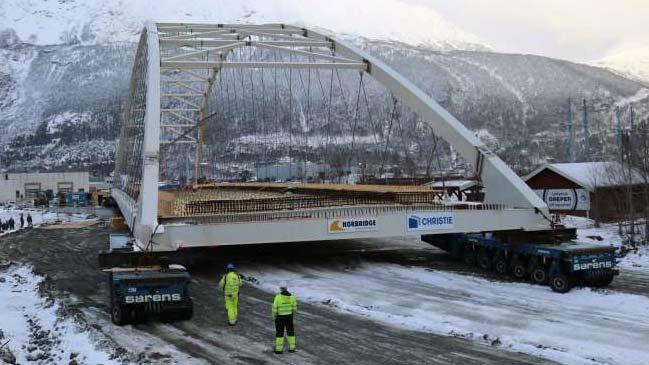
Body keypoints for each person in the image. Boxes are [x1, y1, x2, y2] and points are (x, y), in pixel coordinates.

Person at [272, 281, 298, 354]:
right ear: (287, 288)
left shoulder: (278, 297)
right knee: (291, 332)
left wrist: (274, 316)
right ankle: (292, 348)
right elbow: (295, 309)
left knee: (280, 333)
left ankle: (279, 349)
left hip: (280, 318)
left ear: (280, 288)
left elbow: (274, 309)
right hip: (289, 317)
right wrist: (291, 314)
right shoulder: (292, 297)